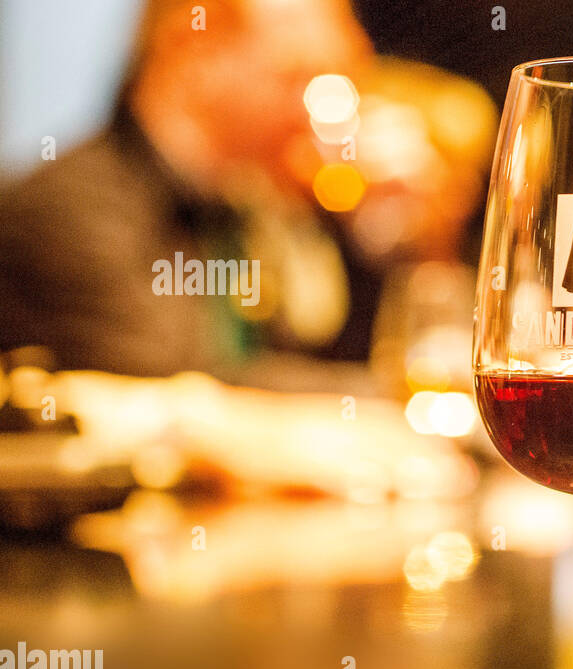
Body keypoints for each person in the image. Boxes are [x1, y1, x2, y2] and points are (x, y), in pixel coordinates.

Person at [0, 0, 376, 392]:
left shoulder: (245, 203)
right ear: (194, 46)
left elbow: (308, 357)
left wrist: (388, 240)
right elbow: (161, 387)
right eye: (298, 77)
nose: (316, 117)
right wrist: (383, 394)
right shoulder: (69, 210)